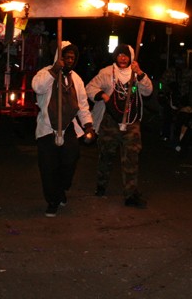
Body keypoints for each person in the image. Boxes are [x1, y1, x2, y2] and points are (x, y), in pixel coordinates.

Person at [31, 41, 94, 218]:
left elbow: (82, 105)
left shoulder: (77, 79)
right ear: (60, 57)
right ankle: (52, 201)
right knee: (49, 168)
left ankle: (61, 188)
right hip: (47, 129)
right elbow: (37, 87)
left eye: (73, 58)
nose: (70, 60)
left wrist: (88, 126)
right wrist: (54, 70)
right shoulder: (45, 73)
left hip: (68, 128)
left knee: (69, 162)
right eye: (67, 57)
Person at [86, 44, 153, 208]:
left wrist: (140, 73)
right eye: (120, 55)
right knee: (106, 156)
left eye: (126, 55)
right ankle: (101, 186)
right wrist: (103, 96)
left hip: (132, 123)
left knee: (131, 159)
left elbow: (148, 91)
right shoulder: (107, 72)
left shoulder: (136, 74)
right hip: (111, 123)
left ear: (131, 58)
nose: (123, 58)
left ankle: (131, 195)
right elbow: (89, 88)